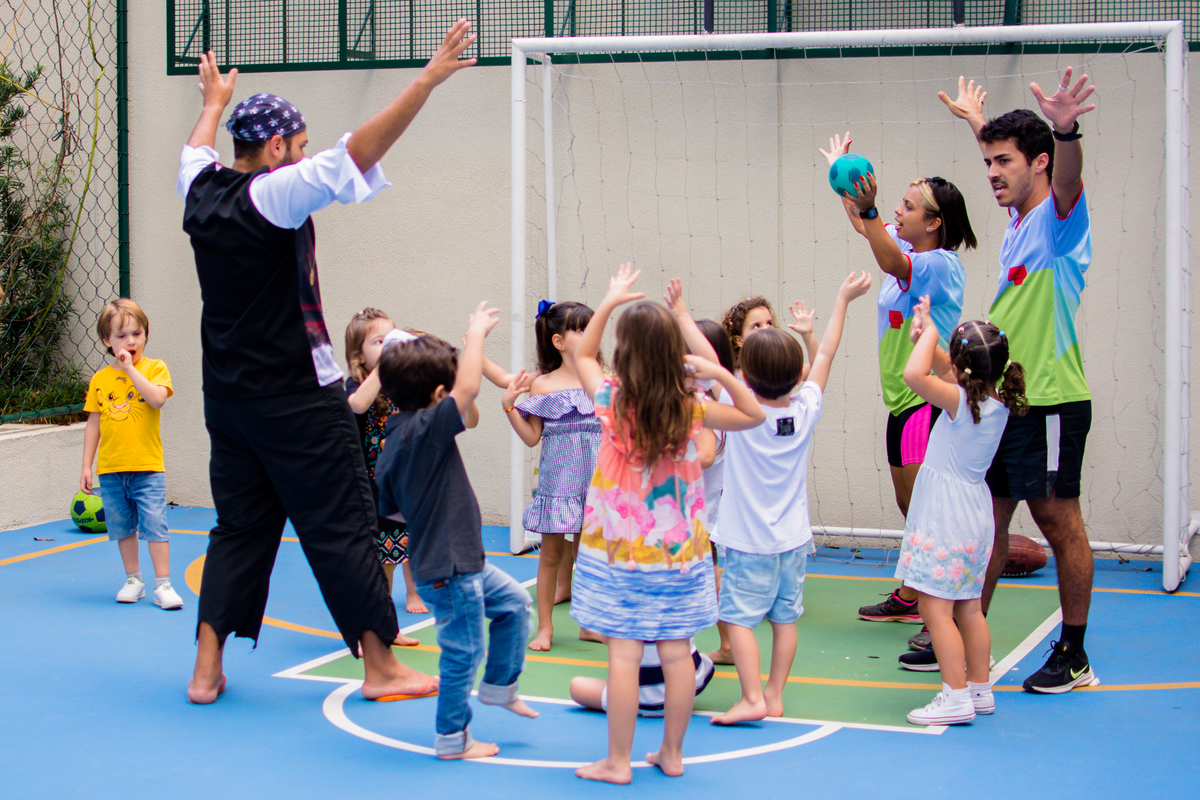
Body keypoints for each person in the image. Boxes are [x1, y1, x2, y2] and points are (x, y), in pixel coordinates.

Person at [176, 19, 477, 704]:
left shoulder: (199, 189)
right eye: (299, 147)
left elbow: (195, 149)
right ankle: (381, 666)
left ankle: (205, 667)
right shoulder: (272, 194)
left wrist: (212, 105)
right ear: (277, 148)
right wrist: (426, 80)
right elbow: (356, 151)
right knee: (342, 525)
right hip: (295, 402)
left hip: (228, 400)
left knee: (238, 528)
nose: (305, 156)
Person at [569, 263, 764, 783]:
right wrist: (721, 374)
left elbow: (582, 354)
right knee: (678, 655)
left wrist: (609, 300)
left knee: (625, 654)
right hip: (679, 555)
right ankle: (672, 755)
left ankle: (617, 761)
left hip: (622, 554)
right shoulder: (690, 406)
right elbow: (753, 416)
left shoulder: (612, 401)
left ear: (626, 352)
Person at [940, 70, 1099, 693]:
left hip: (1052, 400)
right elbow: (1017, 161)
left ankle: (1075, 654)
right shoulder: (1017, 218)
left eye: (1002, 163)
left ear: (1038, 161)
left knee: (1060, 523)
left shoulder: (1060, 220)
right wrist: (978, 122)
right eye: (986, 163)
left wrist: (1065, 130)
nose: (991, 174)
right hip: (1006, 403)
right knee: (988, 522)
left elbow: (1062, 175)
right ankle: (960, 630)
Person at [819, 134, 978, 645]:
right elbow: (867, 226)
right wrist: (842, 174)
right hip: (900, 400)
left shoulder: (939, 263)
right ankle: (913, 595)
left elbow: (888, 259)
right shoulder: (905, 244)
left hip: (927, 397)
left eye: (908, 207)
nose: (897, 211)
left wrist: (866, 212)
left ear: (934, 222)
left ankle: (942, 600)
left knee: (922, 503)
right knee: (908, 501)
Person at [375, 302, 538, 760]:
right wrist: (475, 335)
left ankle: (500, 687)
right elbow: (468, 388)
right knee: (462, 652)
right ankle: (452, 738)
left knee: (514, 606)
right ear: (438, 393)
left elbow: (391, 509)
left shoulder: (398, 434)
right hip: (449, 568)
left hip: (455, 560)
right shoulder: (424, 430)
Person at [711, 272, 873, 726]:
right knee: (785, 622)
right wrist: (841, 299)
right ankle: (774, 695)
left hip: (748, 543)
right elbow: (827, 352)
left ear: (747, 373)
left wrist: (682, 316)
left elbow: (713, 363)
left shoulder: (740, 409)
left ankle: (750, 698)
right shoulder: (805, 410)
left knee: (740, 622)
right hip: (793, 542)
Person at [895, 298, 1027, 724]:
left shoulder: (957, 401)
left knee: (936, 608)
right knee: (968, 606)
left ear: (961, 368)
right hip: (974, 515)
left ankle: (954, 696)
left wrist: (929, 334)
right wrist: (928, 331)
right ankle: (979, 689)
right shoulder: (995, 401)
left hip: (945, 517)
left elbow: (914, 374)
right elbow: (944, 366)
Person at [501, 301, 602, 652]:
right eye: (581, 329)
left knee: (590, 556)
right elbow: (532, 437)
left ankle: (589, 624)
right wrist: (509, 407)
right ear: (558, 341)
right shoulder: (543, 385)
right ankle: (544, 627)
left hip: (597, 485)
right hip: (559, 483)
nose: (592, 333)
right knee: (551, 555)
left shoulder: (603, 380)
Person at [80, 299, 180, 610]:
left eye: (137, 333)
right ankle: (133, 579)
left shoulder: (154, 368)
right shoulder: (100, 380)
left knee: (155, 525)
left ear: (146, 335)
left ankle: (162, 583)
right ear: (108, 341)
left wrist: (129, 370)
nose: (130, 341)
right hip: (111, 470)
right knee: (122, 527)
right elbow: (93, 424)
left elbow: (157, 399)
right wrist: (87, 465)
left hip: (148, 467)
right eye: (121, 336)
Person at [344, 309, 434, 646]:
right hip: (371, 490)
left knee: (409, 544)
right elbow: (356, 404)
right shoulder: (357, 384)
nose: (387, 347)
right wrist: (383, 368)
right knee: (381, 559)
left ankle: (413, 593)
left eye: (391, 339)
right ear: (359, 354)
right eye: (379, 342)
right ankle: (384, 625)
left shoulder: (400, 383)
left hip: (404, 483)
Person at [569, 638, 715, 717]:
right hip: (688, 691)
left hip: (643, 699)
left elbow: (608, 640)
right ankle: (672, 752)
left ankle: (618, 760)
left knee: (576, 685)